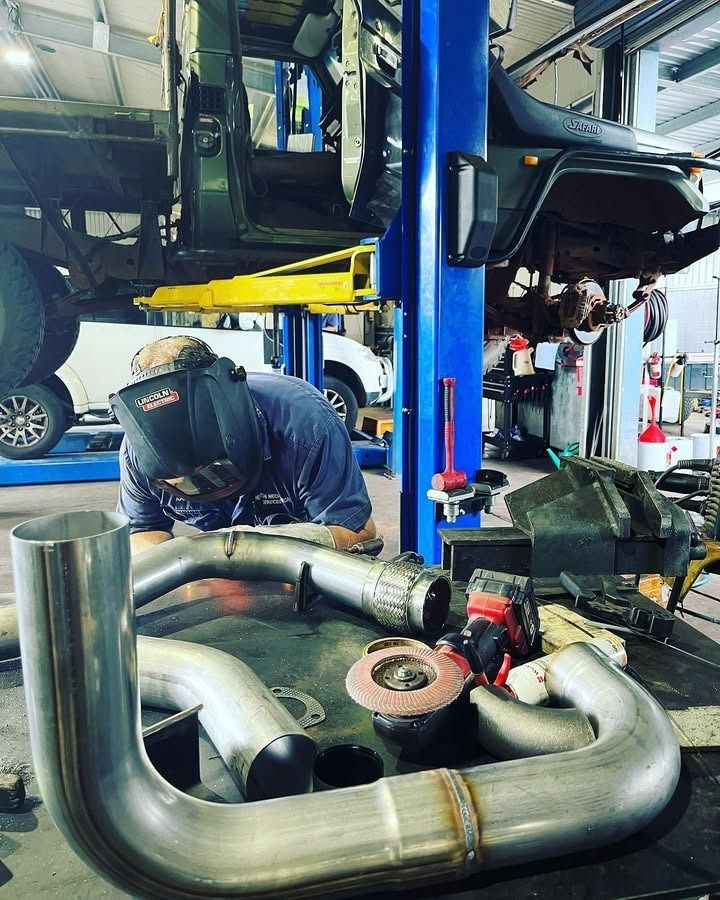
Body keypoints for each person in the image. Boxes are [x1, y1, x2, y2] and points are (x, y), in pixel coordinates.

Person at [110, 335, 375, 555]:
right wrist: (190, 558)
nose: (204, 481)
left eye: (213, 470)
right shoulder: (139, 452)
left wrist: (262, 547)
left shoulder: (307, 425)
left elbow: (357, 530)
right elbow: (142, 530)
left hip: (304, 569)